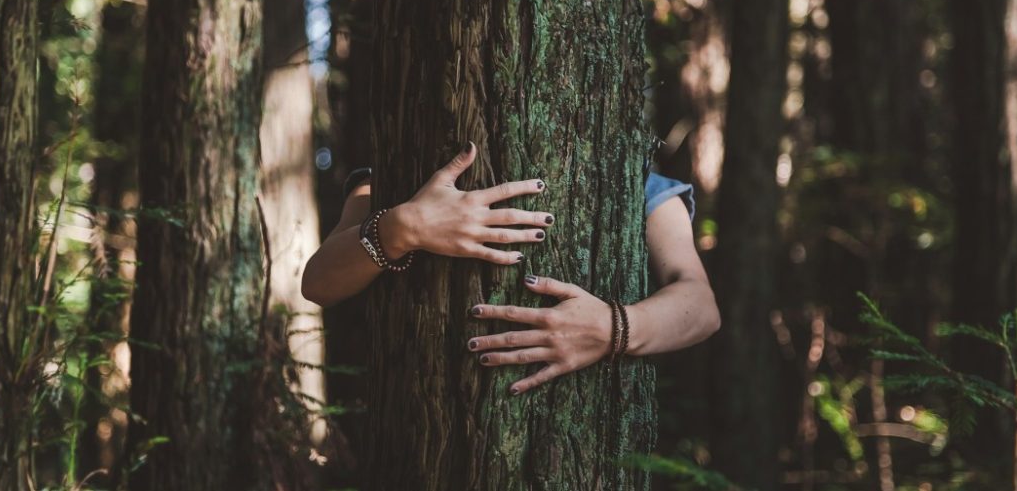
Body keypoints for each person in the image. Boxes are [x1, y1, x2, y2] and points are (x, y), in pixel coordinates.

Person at [302, 141, 720, 395]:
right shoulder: (394, 172)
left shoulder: (638, 183)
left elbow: (700, 306)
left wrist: (613, 328)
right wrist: (405, 226)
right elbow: (319, 282)